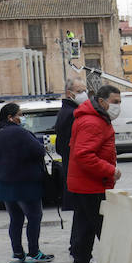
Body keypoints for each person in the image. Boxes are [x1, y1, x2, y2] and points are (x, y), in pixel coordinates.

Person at [0, 102, 54, 263]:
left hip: (4, 185)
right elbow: (39, 151)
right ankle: (34, 253)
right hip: (26, 184)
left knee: (15, 219)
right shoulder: (21, 133)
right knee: (34, 216)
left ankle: (17, 253)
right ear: (11, 117)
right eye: (20, 115)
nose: (22, 118)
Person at [67, 84, 123, 263]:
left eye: (120, 102)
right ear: (102, 102)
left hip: (85, 184)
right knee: (105, 230)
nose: (118, 106)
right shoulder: (93, 122)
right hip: (91, 186)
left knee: (86, 229)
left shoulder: (94, 119)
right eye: (115, 102)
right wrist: (110, 170)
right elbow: (84, 155)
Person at [54, 75, 86, 211]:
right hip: (75, 171)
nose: (84, 95)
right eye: (79, 92)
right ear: (69, 93)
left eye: (85, 91)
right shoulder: (72, 114)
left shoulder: (68, 111)